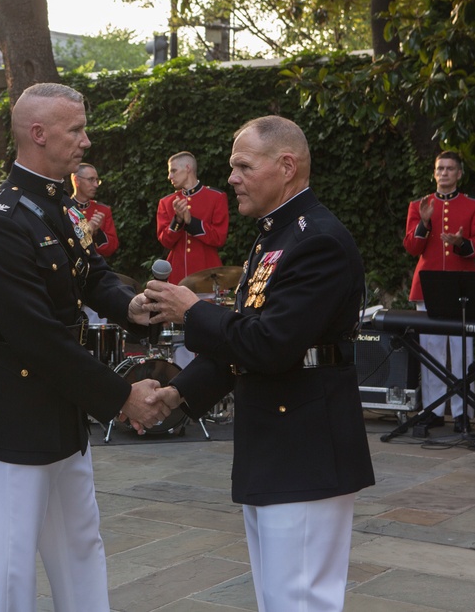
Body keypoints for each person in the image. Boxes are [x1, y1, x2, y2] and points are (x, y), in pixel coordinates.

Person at [141, 116, 375, 612]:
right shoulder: (275, 235)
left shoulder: (318, 241)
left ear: (286, 166)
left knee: (300, 600)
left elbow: (271, 344)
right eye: (231, 166)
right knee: (277, 599)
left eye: (243, 166)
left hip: (306, 444)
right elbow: (245, 337)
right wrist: (180, 391)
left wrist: (193, 310)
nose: (232, 178)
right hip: (274, 441)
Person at [0, 82, 172, 612]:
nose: (86, 141)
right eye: (75, 130)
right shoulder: (1, 223)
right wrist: (120, 396)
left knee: (81, 543)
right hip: (19, 413)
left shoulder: (58, 205)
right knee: (10, 559)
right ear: (38, 134)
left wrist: (130, 306)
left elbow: (91, 272)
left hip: (62, 411)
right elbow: (37, 337)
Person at [403, 151, 475, 433]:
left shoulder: (474, 206)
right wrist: (424, 223)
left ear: (459, 174)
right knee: (432, 353)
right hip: (427, 287)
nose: (444, 173)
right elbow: (412, 248)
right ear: (434, 172)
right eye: (440, 168)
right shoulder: (419, 205)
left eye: (450, 169)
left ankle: (463, 413)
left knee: (462, 352)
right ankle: (434, 409)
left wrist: (461, 243)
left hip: (463, 287)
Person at [155, 151, 230, 284]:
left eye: (173, 170)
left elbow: (219, 238)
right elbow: (165, 242)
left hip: (207, 274)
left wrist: (191, 222)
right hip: (176, 275)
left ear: (188, 168)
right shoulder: (166, 202)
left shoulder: (216, 197)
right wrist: (177, 221)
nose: (169, 176)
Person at [70, 163, 118, 258]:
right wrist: (89, 228)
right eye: (91, 180)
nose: (96, 185)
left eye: (97, 180)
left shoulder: (103, 210)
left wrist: (97, 233)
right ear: (77, 180)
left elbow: (112, 248)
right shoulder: (64, 208)